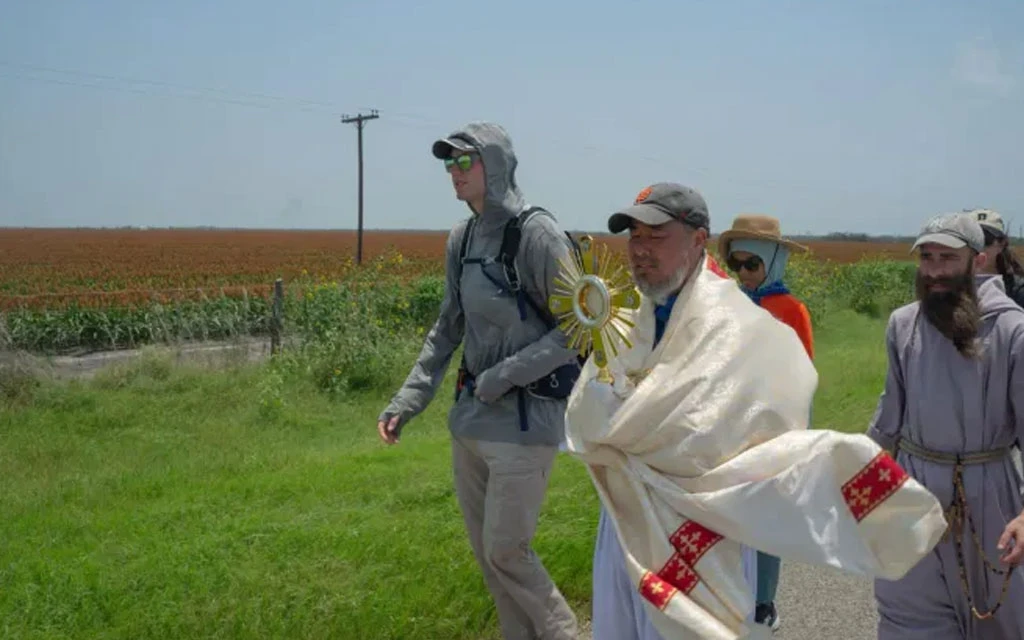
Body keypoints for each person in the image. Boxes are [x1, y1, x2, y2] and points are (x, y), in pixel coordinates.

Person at [562, 182, 948, 640]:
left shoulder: (743, 329)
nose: (640, 250)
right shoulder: (626, 321)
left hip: (707, 522)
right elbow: (593, 414)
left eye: (656, 236)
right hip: (626, 516)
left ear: (697, 239)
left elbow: (773, 408)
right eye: (634, 237)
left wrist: (648, 433)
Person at [376, 121, 579, 640]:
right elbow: (447, 328)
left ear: (496, 163)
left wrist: (503, 376)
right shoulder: (461, 239)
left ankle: (564, 632)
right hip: (470, 425)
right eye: (449, 163)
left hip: (525, 423)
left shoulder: (537, 234)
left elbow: (579, 330)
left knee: (507, 551)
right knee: (492, 566)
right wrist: (407, 400)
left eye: (465, 161)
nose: (454, 172)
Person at [865, 211, 1024, 639]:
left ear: (977, 261)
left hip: (989, 492)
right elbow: (888, 416)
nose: (934, 270)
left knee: (997, 621)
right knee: (906, 614)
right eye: (927, 257)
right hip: (914, 490)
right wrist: (859, 480)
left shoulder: (1012, 330)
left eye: (947, 258)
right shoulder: (903, 324)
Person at [718, 214, 814, 631]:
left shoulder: (791, 311)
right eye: (736, 264)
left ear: (773, 261)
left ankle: (764, 602)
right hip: (726, 429)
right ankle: (730, 594)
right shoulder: (728, 305)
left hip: (771, 432)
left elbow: (802, 378)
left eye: (751, 264)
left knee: (767, 521)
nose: (743, 274)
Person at [967, 208, 1024, 308]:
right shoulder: (949, 285)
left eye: (986, 239)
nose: (978, 246)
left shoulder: (1018, 290)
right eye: (971, 239)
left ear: (1001, 245)